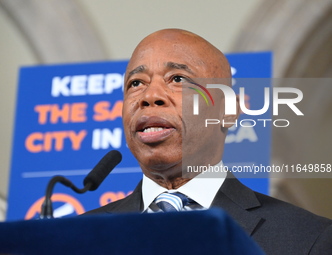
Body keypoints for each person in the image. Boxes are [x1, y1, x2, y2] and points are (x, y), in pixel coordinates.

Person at [86, 29, 332, 254]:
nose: (150, 96)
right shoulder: (76, 236)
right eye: (136, 83)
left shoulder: (310, 238)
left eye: (178, 79)